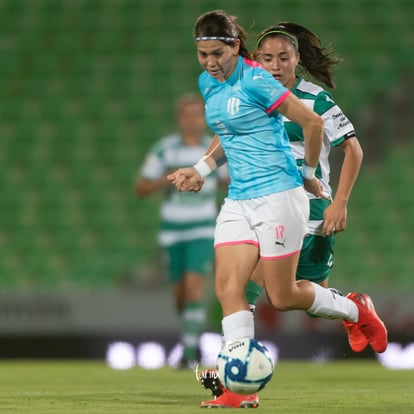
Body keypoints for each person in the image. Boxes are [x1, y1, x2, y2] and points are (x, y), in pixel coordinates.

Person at [167, 9, 387, 408]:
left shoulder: (308, 97)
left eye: (282, 58)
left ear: (295, 59)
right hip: (243, 199)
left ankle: (354, 308)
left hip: (301, 200)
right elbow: (227, 129)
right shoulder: (220, 84)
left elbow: (344, 144)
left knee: (283, 296)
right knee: (233, 289)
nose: (274, 66)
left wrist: (334, 197)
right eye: (267, 58)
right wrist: (201, 168)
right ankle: (239, 386)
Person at [136, 93, 228, 369]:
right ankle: (194, 338)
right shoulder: (165, 150)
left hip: (201, 228)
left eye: (196, 115)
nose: (191, 121)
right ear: (180, 119)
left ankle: (188, 354)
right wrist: (169, 179)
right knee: (180, 295)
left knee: (193, 286)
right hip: (172, 231)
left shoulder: (211, 149)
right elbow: (141, 187)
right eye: (186, 115)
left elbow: (227, 180)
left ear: (204, 118)